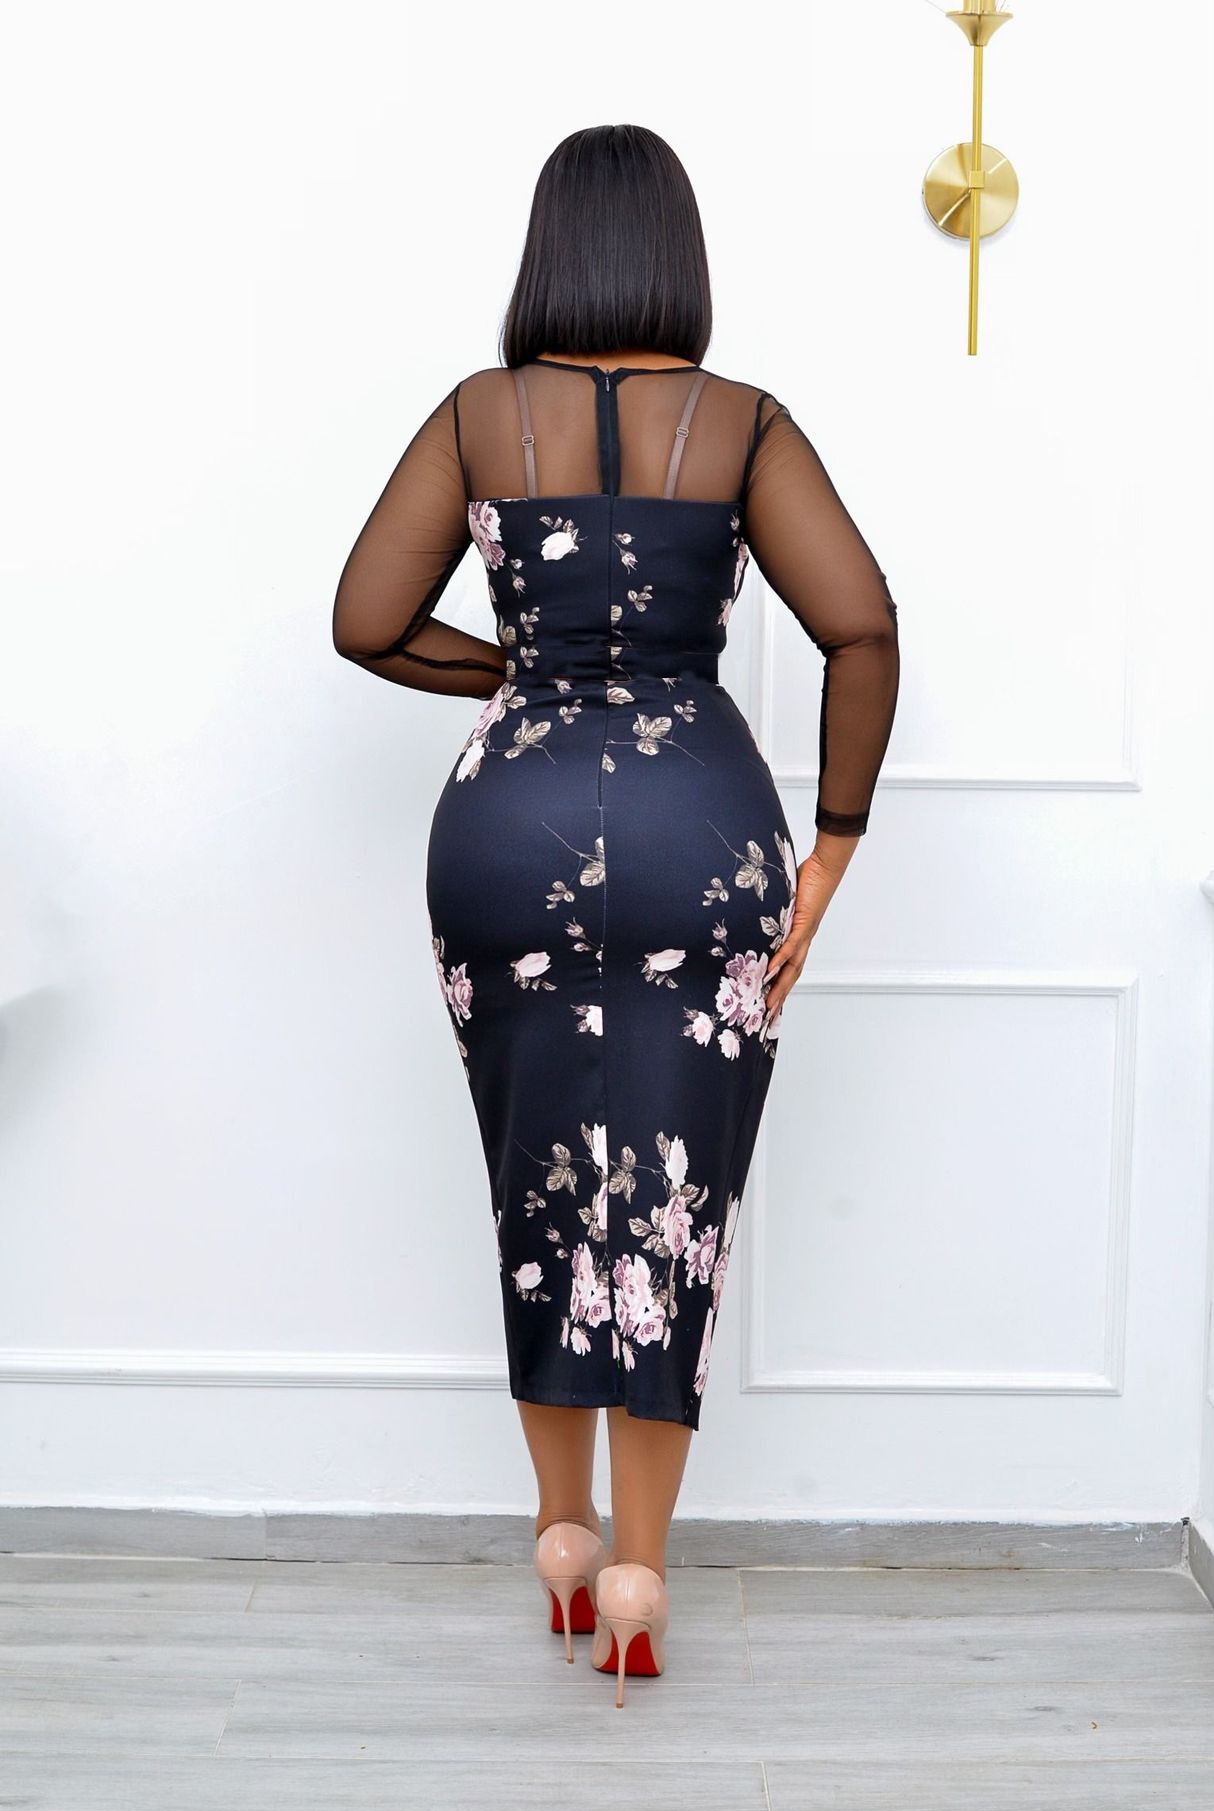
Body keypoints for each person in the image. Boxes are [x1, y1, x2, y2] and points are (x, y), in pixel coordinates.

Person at [332, 124, 899, 1705]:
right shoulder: (741, 421)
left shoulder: (478, 413)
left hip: (502, 830)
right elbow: (860, 627)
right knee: (669, 1199)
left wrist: (520, 674)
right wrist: (832, 851)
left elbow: (367, 621)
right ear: (675, 253)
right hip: (695, 823)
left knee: (539, 1182)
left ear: (548, 252)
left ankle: (561, 1536)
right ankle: (640, 1573)